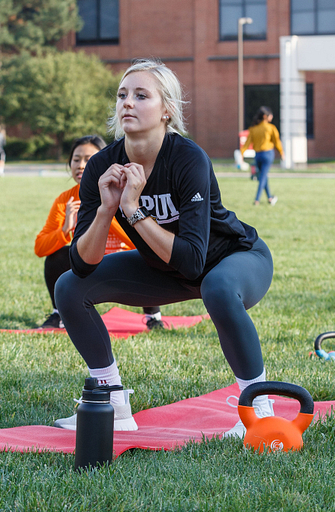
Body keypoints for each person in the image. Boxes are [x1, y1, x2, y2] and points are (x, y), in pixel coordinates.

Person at [53, 59, 274, 436]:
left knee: (215, 286)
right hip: (166, 268)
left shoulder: (187, 158)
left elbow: (192, 261)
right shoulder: (103, 166)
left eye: (141, 95)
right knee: (69, 287)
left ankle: (259, 411)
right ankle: (112, 403)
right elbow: (83, 263)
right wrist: (108, 209)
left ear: (166, 110)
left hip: (234, 260)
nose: (128, 103)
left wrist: (134, 210)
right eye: (122, 95)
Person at [34, 135, 164, 331]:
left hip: (123, 263)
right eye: (76, 159)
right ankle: (58, 314)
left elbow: (145, 238)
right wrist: (65, 228)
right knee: (56, 257)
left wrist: (106, 210)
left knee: (145, 255)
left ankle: (153, 317)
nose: (80, 165)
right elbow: (40, 247)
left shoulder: (126, 192)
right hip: (89, 264)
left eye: (89, 159)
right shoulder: (66, 200)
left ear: (105, 163)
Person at [240, 106, 283, 206]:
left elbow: (247, 144)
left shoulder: (253, 129)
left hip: (258, 155)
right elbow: (277, 142)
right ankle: (257, 199)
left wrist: (242, 153)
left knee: (263, 176)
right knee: (263, 177)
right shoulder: (271, 128)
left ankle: (270, 198)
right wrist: (281, 152)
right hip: (267, 154)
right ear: (265, 116)